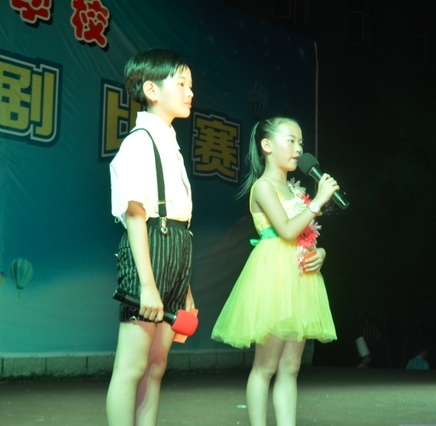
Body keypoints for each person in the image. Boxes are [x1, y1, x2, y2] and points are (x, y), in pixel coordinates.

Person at [211, 117, 340, 426]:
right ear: (267, 146)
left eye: (301, 143)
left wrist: (321, 253)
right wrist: (318, 201)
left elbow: (306, 234)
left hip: (300, 276)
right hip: (273, 277)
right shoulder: (263, 187)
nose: (299, 149)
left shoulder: (294, 189)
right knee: (265, 366)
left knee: (291, 367)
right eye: (291, 141)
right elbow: (286, 230)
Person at [106, 48, 196, 426]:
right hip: (149, 246)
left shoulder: (169, 143)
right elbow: (135, 215)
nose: (190, 92)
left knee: (156, 366)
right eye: (182, 83)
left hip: (175, 247)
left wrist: (184, 288)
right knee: (132, 367)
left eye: (191, 85)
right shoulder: (139, 141)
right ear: (152, 90)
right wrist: (147, 284)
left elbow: (178, 220)